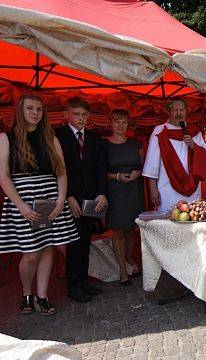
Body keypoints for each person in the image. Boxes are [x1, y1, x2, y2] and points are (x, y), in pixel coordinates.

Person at [0, 94, 79, 315]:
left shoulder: (50, 139)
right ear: (20, 111)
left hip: (48, 198)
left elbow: (61, 172)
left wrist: (61, 199)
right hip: (22, 199)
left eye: (39, 110)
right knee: (30, 253)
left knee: (46, 247)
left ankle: (41, 296)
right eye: (30, 109)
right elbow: (3, 176)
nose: (35, 113)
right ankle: (26, 292)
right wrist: (21, 206)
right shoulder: (6, 139)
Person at [56, 96, 108, 303]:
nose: (81, 118)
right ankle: (74, 286)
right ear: (66, 114)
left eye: (84, 114)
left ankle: (84, 282)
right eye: (76, 114)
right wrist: (67, 196)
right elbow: (57, 169)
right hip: (70, 199)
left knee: (87, 240)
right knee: (73, 243)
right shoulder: (57, 136)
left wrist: (102, 193)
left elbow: (100, 168)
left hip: (91, 199)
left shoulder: (95, 138)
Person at [142, 97, 206, 211]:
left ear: (186, 112)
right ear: (169, 112)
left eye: (181, 110)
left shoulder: (194, 131)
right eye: (175, 110)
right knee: (168, 221)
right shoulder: (159, 131)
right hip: (167, 187)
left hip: (192, 186)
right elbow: (152, 162)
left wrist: (194, 146)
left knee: (191, 218)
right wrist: (153, 189)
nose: (178, 113)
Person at [105, 109, 144, 286]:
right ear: (110, 124)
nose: (121, 125)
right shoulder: (103, 145)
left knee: (131, 229)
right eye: (117, 121)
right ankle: (122, 271)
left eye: (124, 122)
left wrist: (138, 172)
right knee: (119, 230)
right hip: (115, 190)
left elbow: (144, 167)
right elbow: (100, 172)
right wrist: (117, 177)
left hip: (133, 189)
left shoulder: (136, 143)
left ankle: (128, 261)